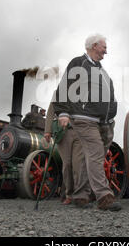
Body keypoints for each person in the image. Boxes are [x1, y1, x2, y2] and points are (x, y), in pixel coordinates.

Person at [52, 33, 120, 211]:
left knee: (90, 157)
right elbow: (64, 87)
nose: (106, 50)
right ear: (94, 45)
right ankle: (104, 196)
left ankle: (81, 196)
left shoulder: (102, 70)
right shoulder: (78, 63)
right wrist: (63, 112)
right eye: (104, 47)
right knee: (96, 154)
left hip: (105, 122)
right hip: (84, 119)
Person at [44, 101, 83, 205]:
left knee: (78, 164)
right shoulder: (60, 91)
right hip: (63, 132)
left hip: (80, 131)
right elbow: (51, 110)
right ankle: (69, 195)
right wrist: (47, 130)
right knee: (67, 164)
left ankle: (80, 196)